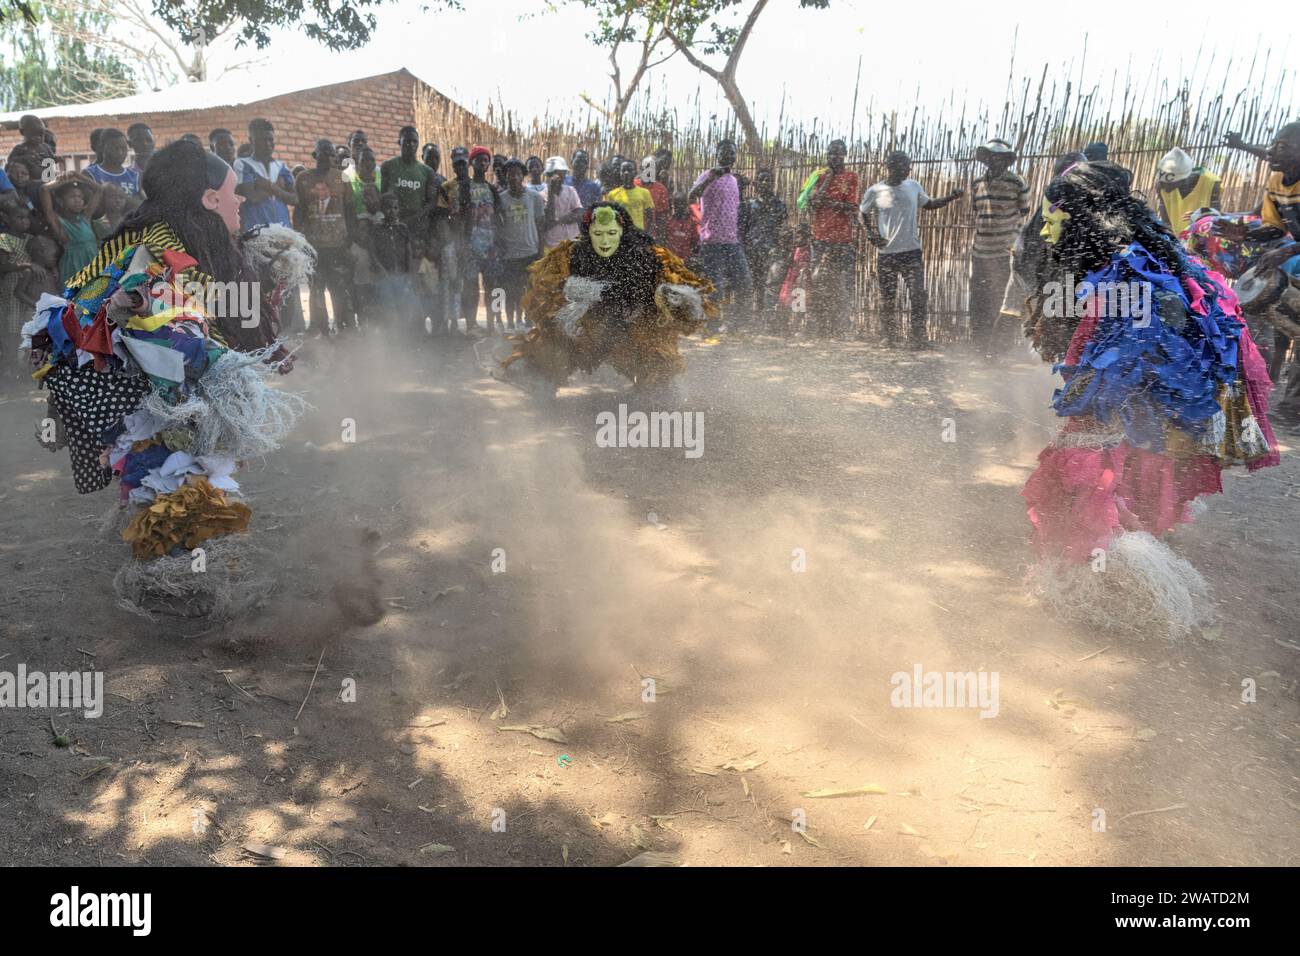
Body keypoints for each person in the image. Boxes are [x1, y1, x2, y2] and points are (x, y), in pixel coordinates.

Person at [23, 139, 302, 591]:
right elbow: (182, 331)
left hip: (119, 388)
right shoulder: (167, 250)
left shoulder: (153, 232)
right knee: (176, 470)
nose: (242, 201)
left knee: (162, 466)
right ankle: (175, 581)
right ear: (209, 200)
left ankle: (164, 550)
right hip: (144, 391)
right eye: (234, 193)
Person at [1021, 160, 1279, 634]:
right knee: (1119, 474)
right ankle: (1122, 571)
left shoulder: (1131, 269)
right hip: (1165, 402)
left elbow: (1140, 342)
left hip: (1148, 398)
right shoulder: (1148, 254)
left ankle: (1134, 599)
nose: (1048, 223)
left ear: (1082, 215)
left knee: (1087, 473)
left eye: (1057, 213)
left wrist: (1094, 406)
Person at [498, 200, 716, 400]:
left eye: (611, 233)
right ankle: (542, 378)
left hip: (633, 329)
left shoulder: (645, 255)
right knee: (553, 343)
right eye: (598, 233)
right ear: (588, 231)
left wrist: (670, 298)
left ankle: (656, 387)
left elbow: (682, 295)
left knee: (658, 369)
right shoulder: (573, 254)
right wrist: (574, 301)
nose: (604, 240)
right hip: (589, 329)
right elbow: (546, 292)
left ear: (622, 231)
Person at [1217, 121, 1300, 427]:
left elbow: (1285, 242)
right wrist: (1243, 234)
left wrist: (1288, 251)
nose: (1271, 152)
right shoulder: (1278, 181)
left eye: (1282, 146)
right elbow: (1274, 228)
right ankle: (1293, 409)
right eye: (1273, 145)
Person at [860, 150, 963, 347]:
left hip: (911, 252)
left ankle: (918, 337)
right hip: (887, 254)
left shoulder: (913, 186)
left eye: (908, 166)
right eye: (904, 166)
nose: (908, 170)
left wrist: (951, 197)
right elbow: (862, 213)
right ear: (891, 167)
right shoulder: (875, 191)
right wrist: (871, 235)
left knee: (918, 295)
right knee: (888, 297)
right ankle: (889, 337)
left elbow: (930, 204)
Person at [969, 138, 1030, 351]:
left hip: (1005, 252)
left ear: (1006, 160)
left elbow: (1024, 211)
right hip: (980, 251)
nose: (994, 160)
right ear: (985, 159)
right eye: (990, 156)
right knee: (979, 300)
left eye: (999, 157)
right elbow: (976, 211)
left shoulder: (1017, 183)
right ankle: (979, 347)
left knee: (1003, 302)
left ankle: (999, 350)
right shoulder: (976, 183)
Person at [688, 139, 751, 329]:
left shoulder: (733, 180)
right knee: (715, 288)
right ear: (717, 154)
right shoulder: (707, 175)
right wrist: (710, 178)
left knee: (744, 282)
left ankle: (735, 327)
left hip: (732, 241)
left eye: (732, 152)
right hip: (712, 241)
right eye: (724, 152)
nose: (728, 156)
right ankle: (711, 327)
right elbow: (691, 196)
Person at [296, 138, 355, 338]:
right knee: (316, 288)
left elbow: (350, 210)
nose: (327, 158)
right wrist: (300, 241)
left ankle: (343, 326)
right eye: (323, 153)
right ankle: (320, 328)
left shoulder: (343, 179)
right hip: (314, 246)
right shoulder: (303, 179)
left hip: (338, 245)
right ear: (315, 156)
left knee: (338, 287)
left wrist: (350, 241)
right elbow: (299, 211)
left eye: (331, 154)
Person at [807, 140, 859, 337]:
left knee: (843, 284)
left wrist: (827, 202)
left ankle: (843, 327)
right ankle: (816, 326)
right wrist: (824, 183)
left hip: (842, 240)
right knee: (816, 282)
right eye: (831, 154)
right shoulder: (818, 176)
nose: (834, 158)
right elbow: (809, 203)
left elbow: (852, 207)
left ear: (845, 154)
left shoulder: (851, 177)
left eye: (838, 154)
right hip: (819, 237)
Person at [497, 158, 545, 332]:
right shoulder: (501, 199)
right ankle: (510, 323)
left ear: (523, 176)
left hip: (530, 251)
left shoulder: (534, 198)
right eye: (510, 174)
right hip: (510, 254)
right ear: (506, 176)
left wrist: (540, 250)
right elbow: (498, 226)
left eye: (517, 174)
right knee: (511, 291)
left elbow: (540, 225)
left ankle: (528, 321)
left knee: (530, 291)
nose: (514, 177)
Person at [458, 145, 502, 335]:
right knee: (470, 286)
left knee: (493, 285)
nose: (482, 163)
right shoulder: (465, 187)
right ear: (471, 163)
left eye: (486, 160)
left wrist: (499, 241)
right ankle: (471, 325)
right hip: (471, 244)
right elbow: (459, 216)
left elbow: (499, 217)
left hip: (490, 244)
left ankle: (492, 324)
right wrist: (462, 242)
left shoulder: (492, 190)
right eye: (478, 160)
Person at [740, 167, 788, 321]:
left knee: (771, 285)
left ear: (773, 183)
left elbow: (783, 229)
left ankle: (768, 319)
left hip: (772, 251)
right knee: (753, 284)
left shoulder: (780, 206)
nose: (765, 183)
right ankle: (752, 318)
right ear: (756, 184)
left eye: (768, 180)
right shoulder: (749, 205)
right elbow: (743, 229)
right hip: (752, 250)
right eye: (762, 179)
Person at [41, 174, 103, 284]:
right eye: (72, 196)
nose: (78, 200)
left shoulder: (86, 218)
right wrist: (63, 181)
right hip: (73, 270)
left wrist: (77, 175)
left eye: (80, 197)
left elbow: (99, 189)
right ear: (60, 201)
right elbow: (44, 189)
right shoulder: (58, 222)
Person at [1155, 147, 1222, 234]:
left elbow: (1216, 217)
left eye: (1169, 185)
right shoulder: (1161, 186)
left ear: (1183, 180)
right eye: (1163, 183)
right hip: (1177, 239)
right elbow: (1166, 223)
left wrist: (1201, 215)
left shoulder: (1210, 183)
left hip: (1204, 238)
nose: (1166, 189)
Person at [540, 156, 583, 250]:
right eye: (554, 174)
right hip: (552, 246)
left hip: (573, 243)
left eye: (561, 173)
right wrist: (551, 193)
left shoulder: (571, 191)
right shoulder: (541, 196)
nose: (557, 177)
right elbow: (548, 219)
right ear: (548, 175)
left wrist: (558, 220)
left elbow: (579, 214)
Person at [84, 128, 141, 197]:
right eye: (115, 148)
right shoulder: (90, 174)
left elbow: (141, 204)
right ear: (102, 148)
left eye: (124, 148)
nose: (120, 153)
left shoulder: (134, 176)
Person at [605, 159, 656, 234]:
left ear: (635, 173)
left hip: (637, 237)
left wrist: (646, 236)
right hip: (618, 237)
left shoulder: (644, 193)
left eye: (629, 170)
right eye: (623, 170)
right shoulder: (612, 194)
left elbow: (650, 218)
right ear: (620, 173)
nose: (626, 173)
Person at [6, 115, 55, 185]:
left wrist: (57, 159)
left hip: (49, 181)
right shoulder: (20, 149)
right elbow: (10, 162)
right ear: (22, 132)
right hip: (31, 184)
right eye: (34, 134)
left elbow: (52, 158)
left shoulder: (45, 147)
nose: (38, 137)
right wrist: (24, 159)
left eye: (41, 135)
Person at [637, 154, 670, 243]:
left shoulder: (661, 189)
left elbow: (661, 216)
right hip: (632, 233)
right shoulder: (632, 185)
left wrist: (660, 237)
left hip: (650, 235)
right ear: (641, 169)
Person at [664, 193, 700, 269]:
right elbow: (666, 240)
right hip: (673, 260)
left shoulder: (692, 222)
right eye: (677, 204)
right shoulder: (670, 221)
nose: (678, 207)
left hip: (685, 261)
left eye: (681, 204)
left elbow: (695, 242)